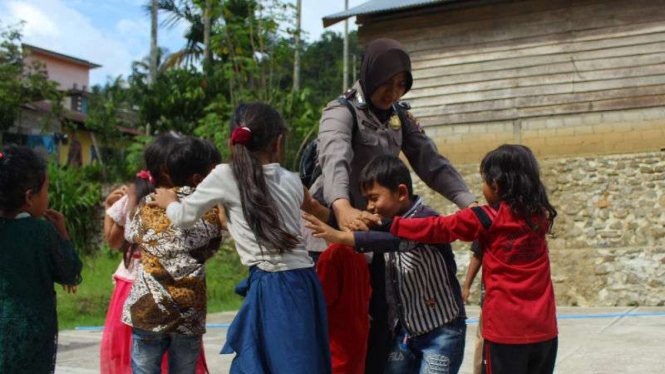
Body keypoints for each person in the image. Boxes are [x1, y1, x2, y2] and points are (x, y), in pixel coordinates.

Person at [307, 38, 475, 374]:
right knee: (340, 335)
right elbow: (334, 159)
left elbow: (431, 163)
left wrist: (470, 205)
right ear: (370, 76)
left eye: (401, 85)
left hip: (377, 236)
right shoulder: (340, 112)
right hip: (333, 238)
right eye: (387, 84)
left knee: (380, 330)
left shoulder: (399, 115)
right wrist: (342, 207)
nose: (393, 93)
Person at [152, 102, 332, 374]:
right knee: (298, 360)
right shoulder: (293, 180)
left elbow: (183, 217)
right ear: (278, 143)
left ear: (232, 140)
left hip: (271, 283)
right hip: (304, 281)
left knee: (266, 363)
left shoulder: (225, 175)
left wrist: (169, 201)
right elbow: (318, 212)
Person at [387, 144, 559, 374]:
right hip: (545, 332)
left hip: (505, 335)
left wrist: (392, 224)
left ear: (496, 185)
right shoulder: (540, 217)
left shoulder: (487, 217)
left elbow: (439, 228)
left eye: (485, 180)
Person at [304, 155, 467, 374]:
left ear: (401, 193)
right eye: (367, 200)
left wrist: (340, 237)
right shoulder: (384, 221)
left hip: (442, 329)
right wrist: (316, 209)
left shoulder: (426, 220)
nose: (370, 207)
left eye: (374, 198)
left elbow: (394, 241)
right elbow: (359, 230)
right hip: (407, 332)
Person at [122, 136, 225, 374]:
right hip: (188, 314)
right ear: (199, 178)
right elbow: (211, 247)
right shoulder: (209, 210)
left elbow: (131, 234)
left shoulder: (147, 203)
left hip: (146, 310)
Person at [0, 145, 83, 374]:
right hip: (33, 337)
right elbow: (70, 273)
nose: (47, 197)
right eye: (45, 191)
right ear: (29, 197)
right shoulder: (43, 232)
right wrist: (63, 234)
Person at [316, 242, 372, 374]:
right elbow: (368, 292)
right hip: (357, 340)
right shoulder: (358, 254)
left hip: (337, 346)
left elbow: (323, 299)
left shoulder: (331, 256)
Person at [462, 243, 484, 374]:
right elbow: (477, 256)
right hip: (492, 299)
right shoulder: (488, 223)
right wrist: (466, 287)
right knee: (483, 343)